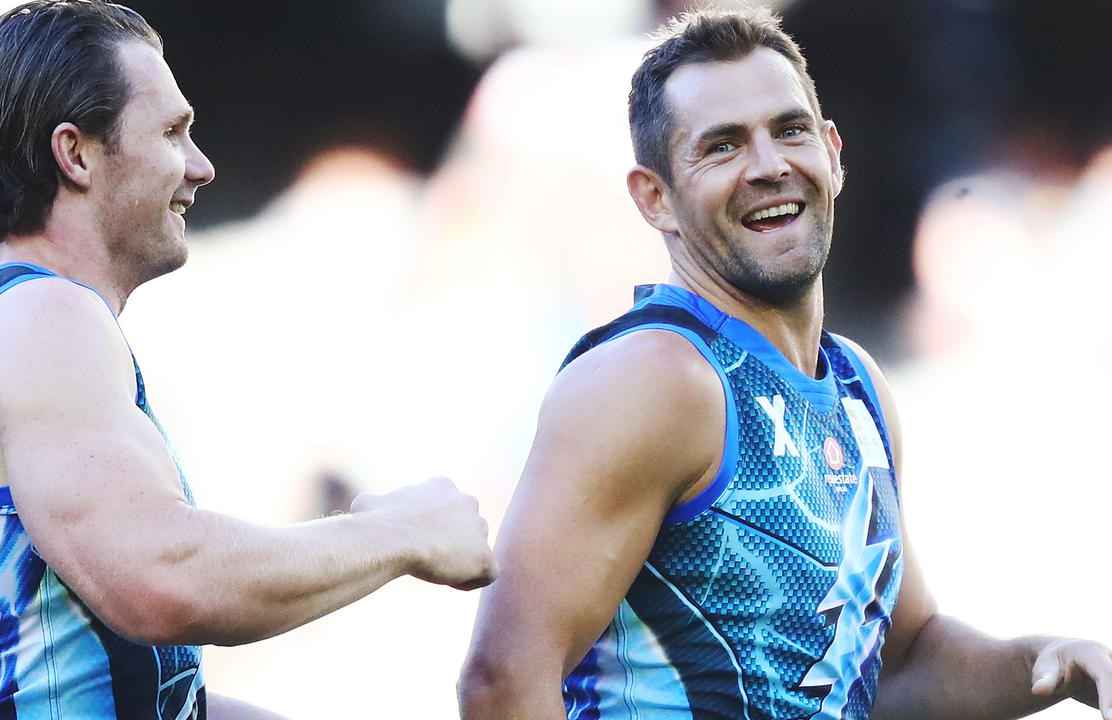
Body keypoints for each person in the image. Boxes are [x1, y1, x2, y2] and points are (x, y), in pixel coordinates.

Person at [458, 8, 1112, 720]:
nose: (768, 166)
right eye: (723, 146)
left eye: (789, 130)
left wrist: (1049, 662)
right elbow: (502, 680)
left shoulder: (858, 386)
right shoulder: (655, 381)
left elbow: (898, 665)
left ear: (832, 153)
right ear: (655, 198)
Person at [0, 2, 496, 718]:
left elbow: (96, 680)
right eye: (173, 133)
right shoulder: (41, 321)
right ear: (76, 155)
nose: (200, 167)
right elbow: (165, 582)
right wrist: (402, 534)